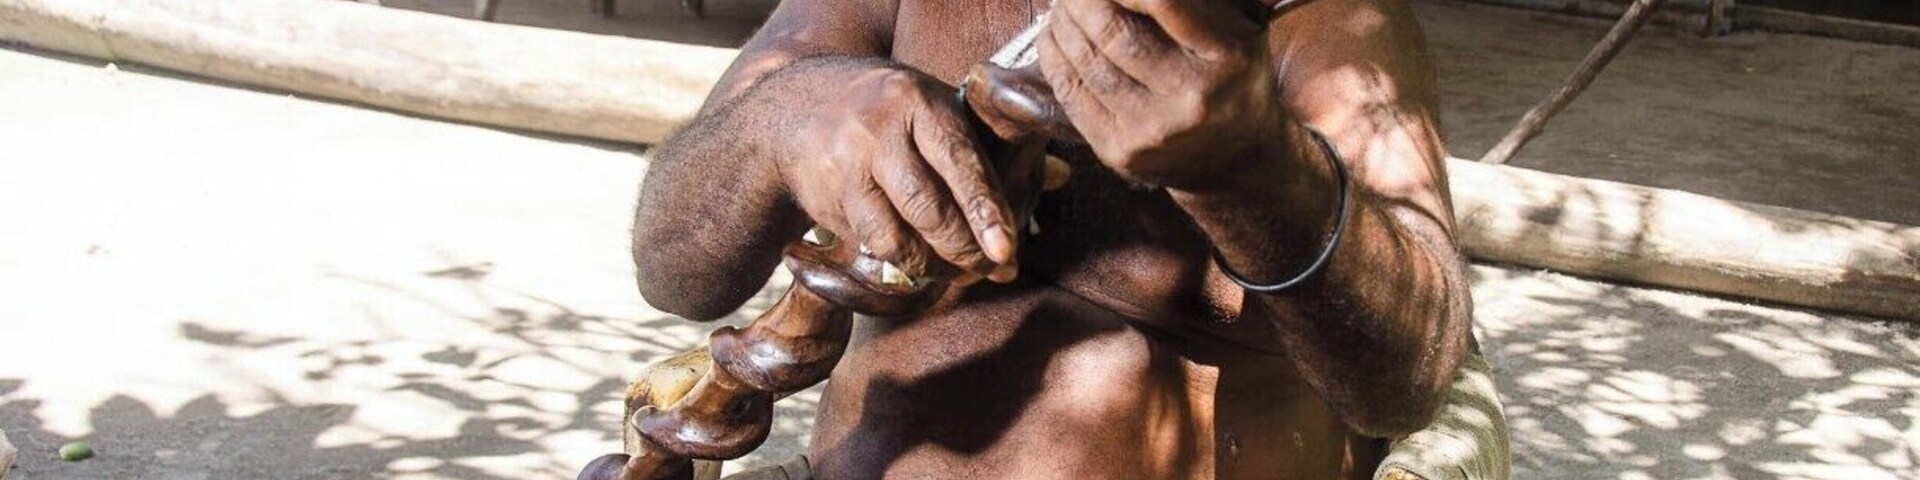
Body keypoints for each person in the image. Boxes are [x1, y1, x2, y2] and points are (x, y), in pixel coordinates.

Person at [631, 0, 1472, 477]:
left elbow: (1411, 380)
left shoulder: (1325, 27)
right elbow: (672, 268)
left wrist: (1256, 169)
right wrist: (788, 120)